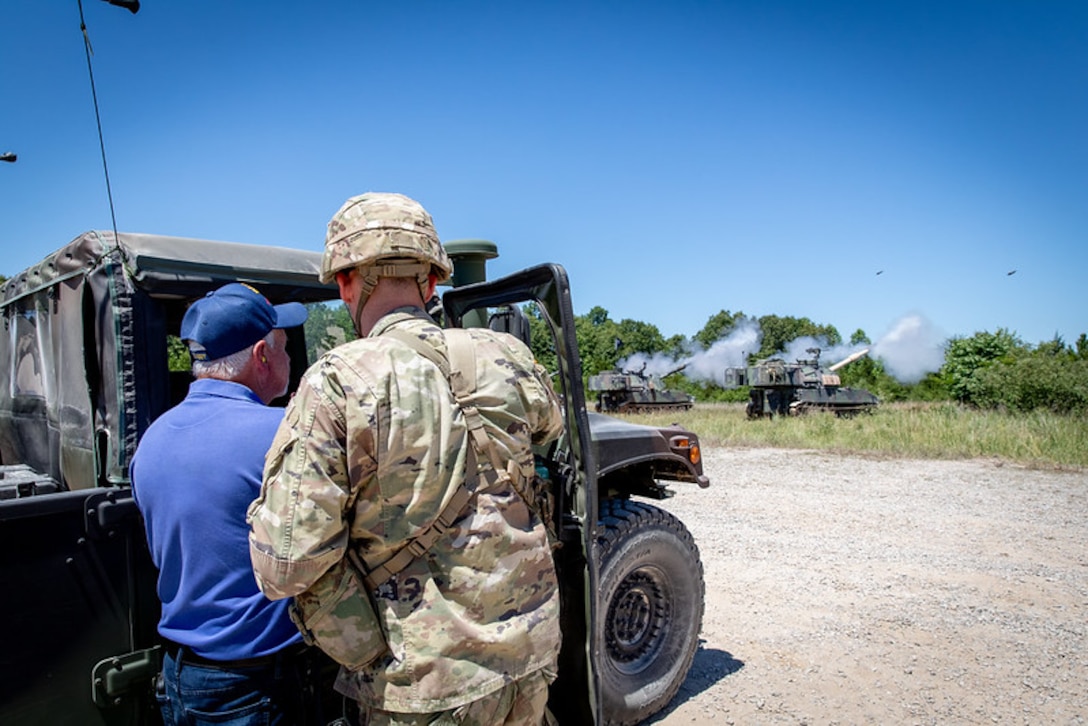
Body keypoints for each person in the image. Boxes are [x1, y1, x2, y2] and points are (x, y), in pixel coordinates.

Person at [248, 192, 565, 725]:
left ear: (347, 281)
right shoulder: (507, 355)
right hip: (528, 655)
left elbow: (286, 564)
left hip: (425, 686)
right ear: (432, 282)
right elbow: (550, 430)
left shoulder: (337, 381)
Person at [130, 283, 315, 726]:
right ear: (262, 355)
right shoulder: (280, 434)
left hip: (181, 678)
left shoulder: (153, 438)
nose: (289, 359)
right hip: (256, 686)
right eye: (285, 347)